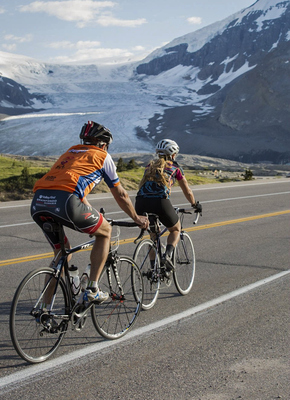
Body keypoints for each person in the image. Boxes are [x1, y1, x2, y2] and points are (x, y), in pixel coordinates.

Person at [31, 120, 149, 305]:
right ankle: (93, 288)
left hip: (38, 202)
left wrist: (92, 212)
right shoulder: (102, 156)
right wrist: (136, 217)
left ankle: (45, 310)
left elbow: (72, 186)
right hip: (66, 202)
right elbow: (121, 194)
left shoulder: (70, 153)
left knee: (61, 256)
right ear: (103, 144)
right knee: (106, 231)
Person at [135, 139, 202, 277]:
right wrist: (195, 204)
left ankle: (154, 270)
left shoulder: (150, 166)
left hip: (140, 203)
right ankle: (167, 256)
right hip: (160, 203)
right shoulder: (175, 167)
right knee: (176, 229)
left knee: (153, 236)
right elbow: (187, 191)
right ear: (172, 155)